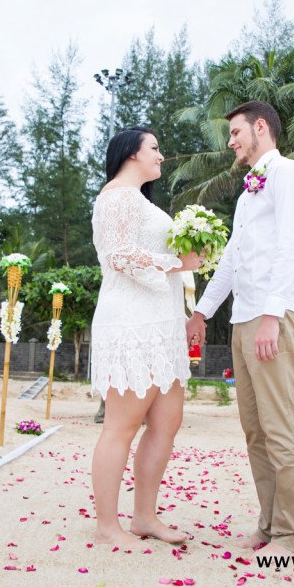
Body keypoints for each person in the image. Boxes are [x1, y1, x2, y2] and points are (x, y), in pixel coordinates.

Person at [186, 101, 294, 558]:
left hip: (271, 317)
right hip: (243, 320)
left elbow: (292, 245)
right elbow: (231, 262)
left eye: (236, 132)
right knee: (255, 432)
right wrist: (201, 314)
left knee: (279, 429)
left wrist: (272, 316)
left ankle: (291, 536)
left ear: (260, 127)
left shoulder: (285, 172)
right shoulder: (246, 195)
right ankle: (269, 524)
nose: (231, 141)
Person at [90, 126, 203, 549]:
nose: (160, 155)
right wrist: (178, 262)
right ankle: (107, 525)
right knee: (121, 426)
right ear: (131, 153)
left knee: (166, 422)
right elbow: (118, 255)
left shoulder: (139, 200)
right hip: (132, 323)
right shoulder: (117, 196)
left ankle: (144, 517)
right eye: (154, 148)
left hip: (162, 324)